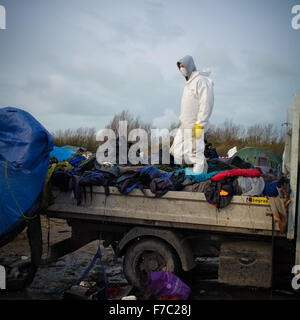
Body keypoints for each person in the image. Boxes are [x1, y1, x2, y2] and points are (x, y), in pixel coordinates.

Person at [170, 55, 214, 173]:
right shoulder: (188, 84)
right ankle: (196, 169)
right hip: (184, 125)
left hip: (196, 125)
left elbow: (206, 103)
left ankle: (198, 176)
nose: (181, 69)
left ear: (189, 65)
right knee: (176, 151)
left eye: (183, 66)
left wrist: (200, 124)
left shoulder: (201, 80)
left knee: (196, 153)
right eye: (179, 67)